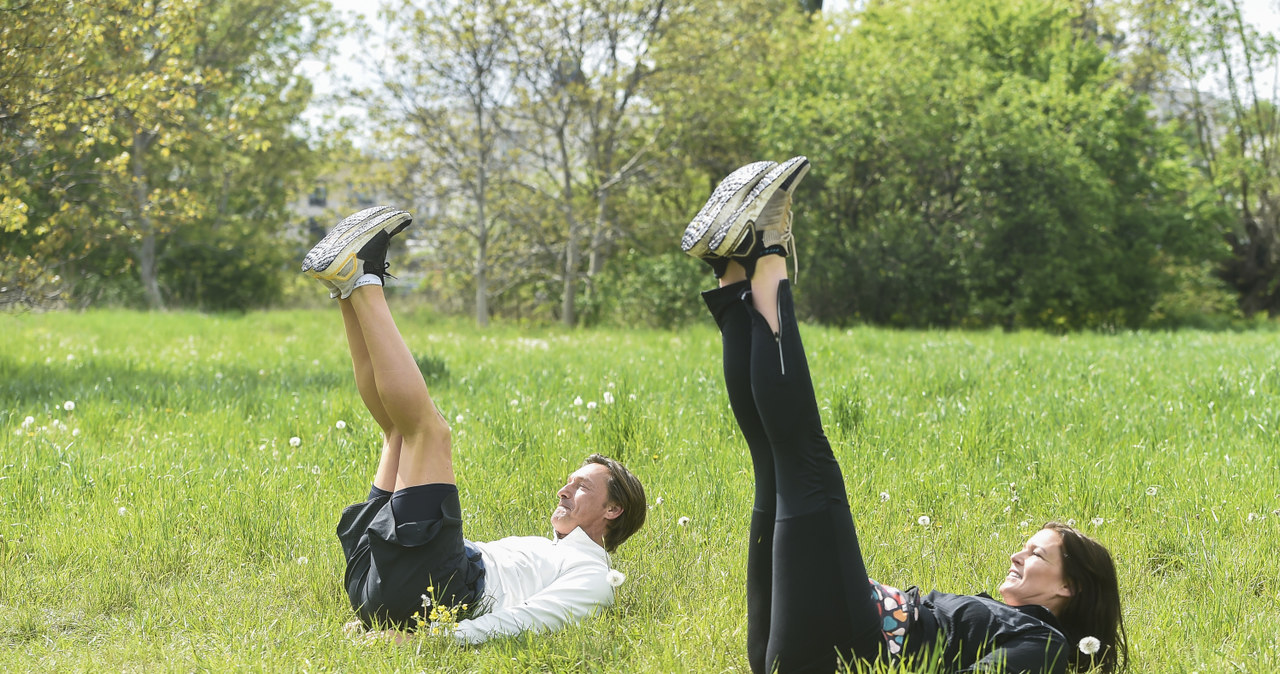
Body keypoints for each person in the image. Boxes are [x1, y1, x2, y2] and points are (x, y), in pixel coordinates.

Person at [681, 158, 1129, 674]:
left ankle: (766, 246)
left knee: (805, 458)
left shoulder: (1045, 644)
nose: (1017, 555)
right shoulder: (1018, 627)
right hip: (815, 642)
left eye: (1036, 555)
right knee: (773, 459)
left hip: (850, 643)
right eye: (1028, 548)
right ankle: (734, 267)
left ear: (1069, 588)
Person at [301, 206, 646, 643]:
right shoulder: (548, 551)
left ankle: (364, 278)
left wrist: (430, 640)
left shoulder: (593, 576)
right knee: (397, 432)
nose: (563, 489)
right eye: (570, 481)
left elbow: (526, 622)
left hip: (432, 592)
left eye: (582, 487)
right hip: (387, 582)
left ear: (613, 510)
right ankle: (348, 286)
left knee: (430, 433)